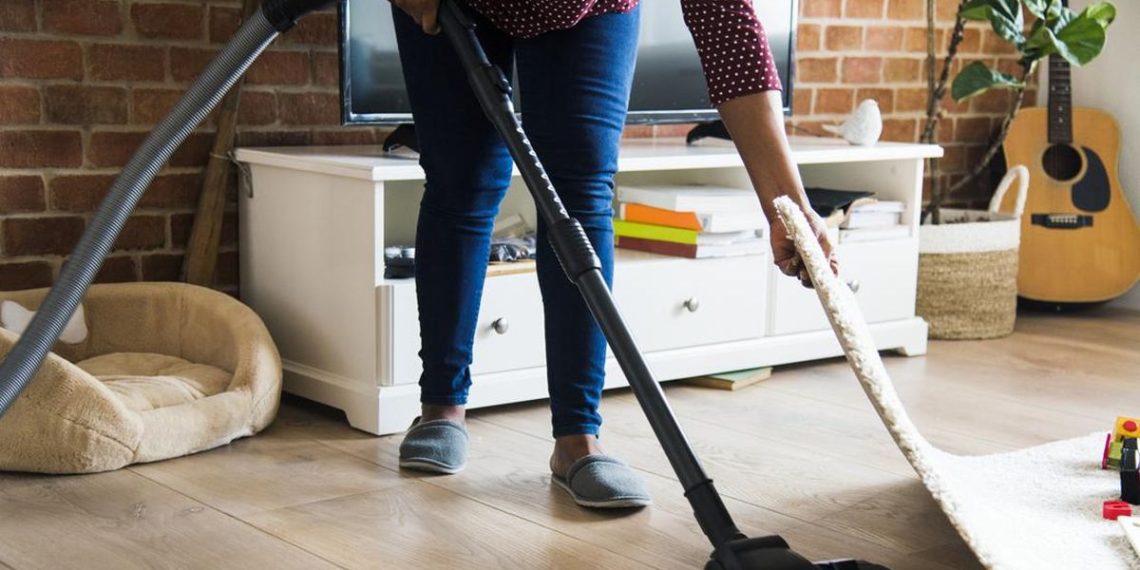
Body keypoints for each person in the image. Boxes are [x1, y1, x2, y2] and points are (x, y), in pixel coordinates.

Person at [392, 0, 838, 509]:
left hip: (590, 10)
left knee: (578, 197)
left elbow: (730, 31)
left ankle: (578, 438)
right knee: (462, 183)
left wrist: (787, 204)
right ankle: (442, 407)